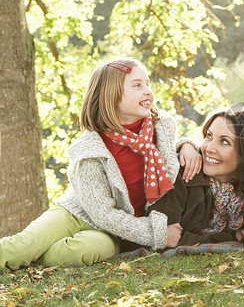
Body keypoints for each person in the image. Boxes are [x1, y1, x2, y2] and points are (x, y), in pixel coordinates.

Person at [0, 57, 201, 270]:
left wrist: (187, 144)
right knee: (23, 246)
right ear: (112, 95)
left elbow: (167, 156)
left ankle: (37, 258)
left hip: (112, 231)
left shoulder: (160, 130)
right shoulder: (90, 150)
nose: (148, 91)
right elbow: (103, 214)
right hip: (75, 214)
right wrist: (157, 233)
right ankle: (28, 252)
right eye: (137, 85)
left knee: (83, 251)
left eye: (148, 83)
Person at [137, 107, 244, 248]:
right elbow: (167, 237)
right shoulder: (181, 173)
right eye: (209, 136)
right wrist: (229, 238)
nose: (209, 148)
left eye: (224, 142)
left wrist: (241, 231)